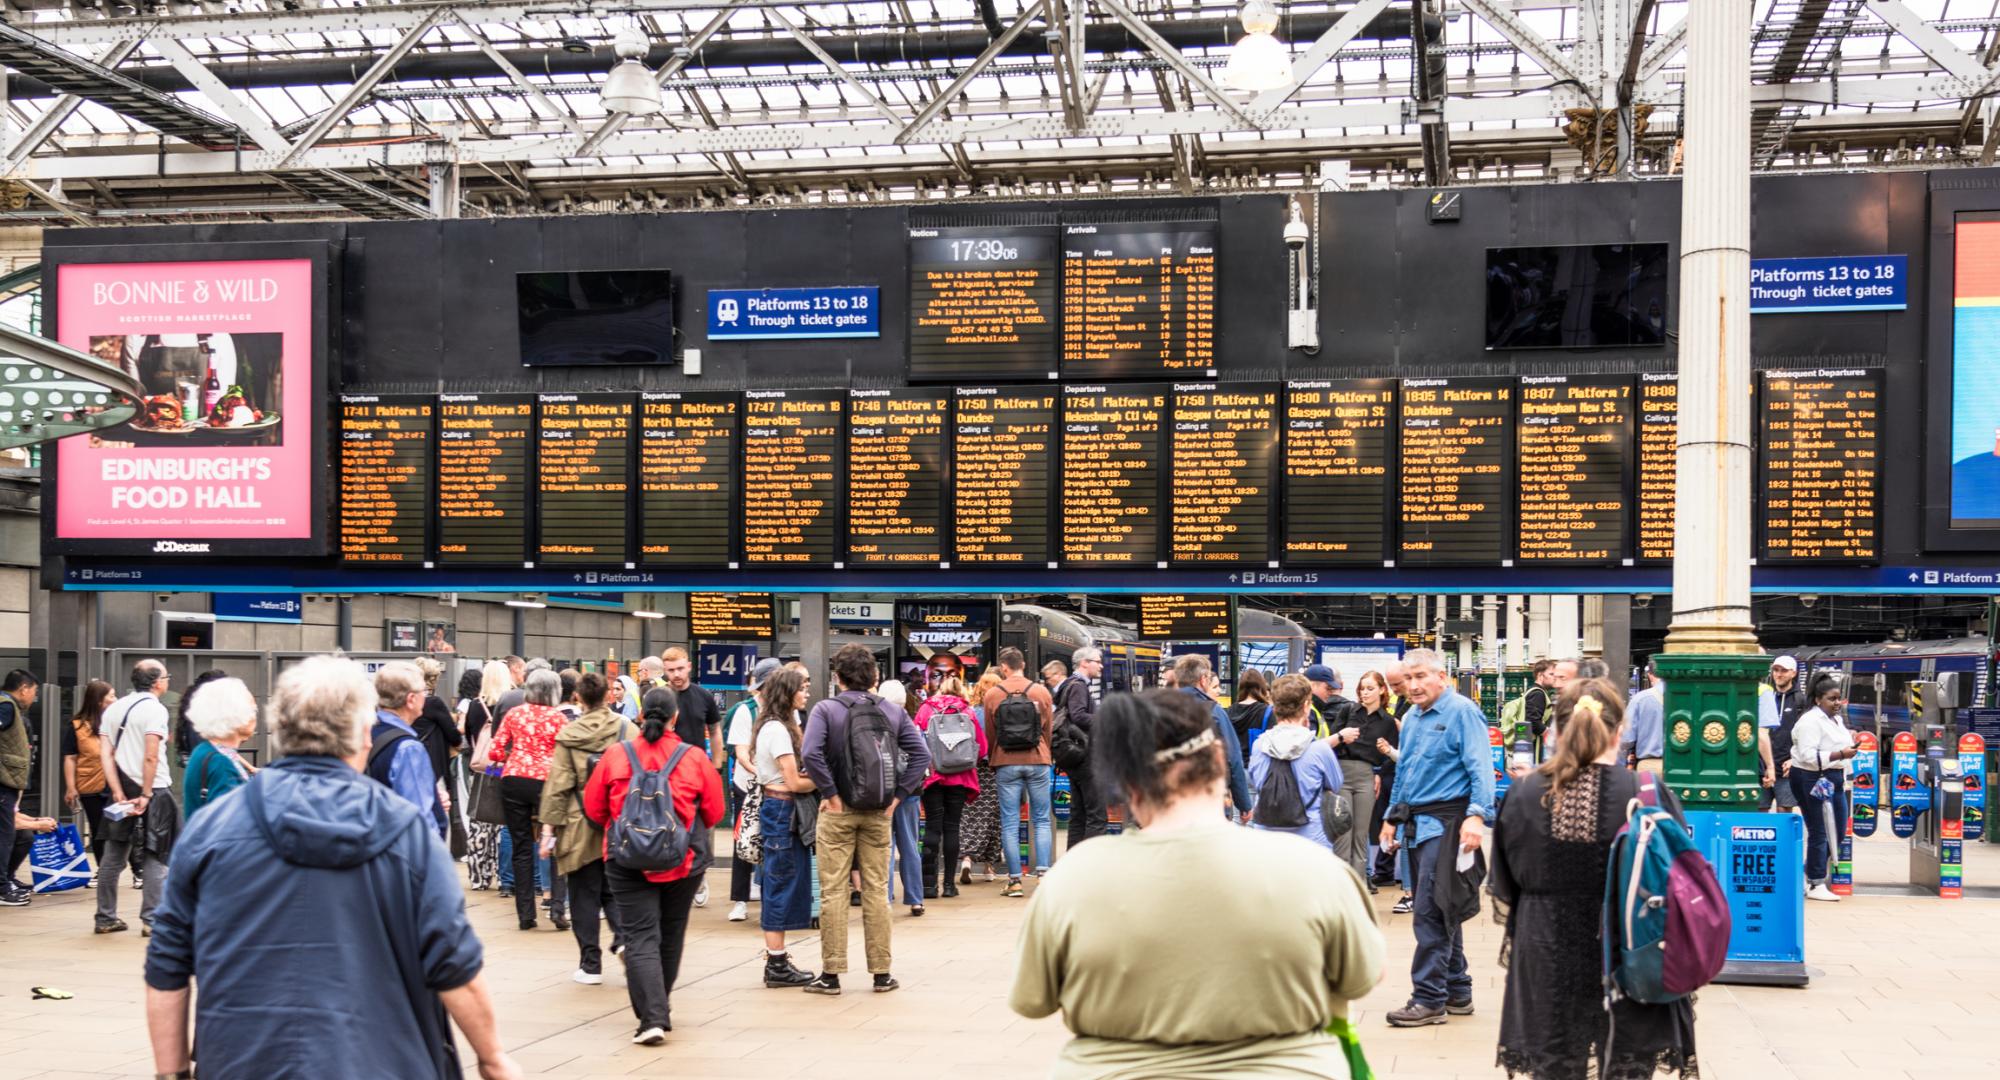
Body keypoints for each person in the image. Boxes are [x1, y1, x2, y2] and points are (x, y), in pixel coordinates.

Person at [143, 654, 520, 1080]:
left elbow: (167, 965)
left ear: (280, 730)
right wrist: (492, 1058)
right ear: (362, 732)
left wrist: (171, 1072)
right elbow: (453, 964)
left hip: (242, 1060)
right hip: (383, 1061)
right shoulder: (405, 831)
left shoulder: (210, 829)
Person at [1011, 689, 1385, 1077]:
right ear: (1220, 762)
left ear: (1126, 784)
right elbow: (1363, 976)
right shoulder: (1315, 868)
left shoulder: (1074, 877)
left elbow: (1031, 1000)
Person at [1490, 678, 1697, 1079]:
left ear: (1556, 732)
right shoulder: (1648, 792)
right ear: (1620, 732)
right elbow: (1680, 877)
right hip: (1632, 954)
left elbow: (1505, 883)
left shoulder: (1524, 793)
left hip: (1546, 949)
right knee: (1627, 1062)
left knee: (1554, 1063)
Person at [584, 687, 726, 1044]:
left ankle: (652, 1017)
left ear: (640, 715)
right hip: (682, 861)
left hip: (625, 860)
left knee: (639, 936)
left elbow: (595, 809)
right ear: (675, 717)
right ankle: (658, 1008)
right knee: (672, 934)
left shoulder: (616, 755)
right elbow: (714, 812)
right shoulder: (693, 757)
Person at [800, 644, 930, 995]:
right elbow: (921, 754)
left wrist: (831, 794)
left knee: (833, 892)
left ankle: (832, 973)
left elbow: (810, 753)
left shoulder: (826, 710)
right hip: (878, 811)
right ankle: (881, 973)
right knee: (876, 890)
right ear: (874, 676)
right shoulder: (891, 711)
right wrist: (898, 797)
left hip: (838, 813)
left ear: (837, 677)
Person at [1379, 647, 1494, 1027]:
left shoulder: (1462, 712)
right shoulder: (1411, 717)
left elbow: (1482, 769)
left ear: (1441, 677)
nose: (1412, 686)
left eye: (1420, 677)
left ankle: (1429, 998)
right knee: (1443, 907)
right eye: (1407, 679)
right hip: (1418, 825)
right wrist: (1391, 818)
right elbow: (1407, 771)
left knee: (1429, 910)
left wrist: (1477, 816)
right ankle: (1457, 991)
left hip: (1450, 823)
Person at [538, 672, 633, 984]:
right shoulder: (626, 729)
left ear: (577, 697)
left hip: (579, 823)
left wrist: (548, 830)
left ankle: (590, 964)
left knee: (583, 895)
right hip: (617, 821)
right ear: (608, 696)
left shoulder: (569, 735)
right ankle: (622, 938)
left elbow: (557, 787)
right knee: (614, 890)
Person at [98, 659, 180, 935]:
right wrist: (146, 792)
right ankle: (151, 920)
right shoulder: (154, 710)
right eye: (166, 677)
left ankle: (105, 917)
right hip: (153, 789)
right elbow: (151, 754)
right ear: (157, 682)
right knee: (156, 853)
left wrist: (117, 790)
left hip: (121, 787)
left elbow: (106, 755)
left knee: (113, 856)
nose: (168, 681)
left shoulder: (114, 708)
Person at [749, 666, 818, 988]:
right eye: (801, 687)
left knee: (784, 881)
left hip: (782, 811)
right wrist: (822, 780)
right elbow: (792, 781)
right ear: (786, 692)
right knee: (780, 884)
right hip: (782, 810)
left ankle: (777, 959)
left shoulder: (778, 726)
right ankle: (775, 964)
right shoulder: (777, 730)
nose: (806, 692)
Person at [492, 668, 571, 931]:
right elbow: (566, 755)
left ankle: (526, 915)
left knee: (521, 846)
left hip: (514, 780)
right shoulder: (558, 718)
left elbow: (494, 750)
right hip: (547, 784)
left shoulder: (515, 714)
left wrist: (516, 759)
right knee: (556, 843)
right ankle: (558, 909)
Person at [984, 646, 1056, 898]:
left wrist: (996, 756)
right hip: (1038, 759)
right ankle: (1043, 876)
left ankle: (1014, 882)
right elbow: (1047, 728)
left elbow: (990, 733)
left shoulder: (993, 694)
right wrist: (1045, 751)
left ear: (1003, 668)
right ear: (1023, 665)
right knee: (1042, 819)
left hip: (1006, 762)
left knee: (1010, 822)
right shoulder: (1041, 691)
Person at [1246, 674, 1341, 848]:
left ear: (1274, 707)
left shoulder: (1259, 746)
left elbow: (1254, 781)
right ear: (1306, 706)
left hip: (1266, 841)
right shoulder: (1319, 749)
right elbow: (1335, 785)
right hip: (1311, 841)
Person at [914, 672, 987, 899]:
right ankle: (948, 885)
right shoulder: (968, 711)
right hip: (960, 776)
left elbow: (915, 741)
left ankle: (928, 885)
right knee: (952, 827)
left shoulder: (926, 709)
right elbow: (982, 749)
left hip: (933, 776)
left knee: (933, 826)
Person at [662, 645, 723, 908]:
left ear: (689, 666)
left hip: (696, 772)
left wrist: (716, 766)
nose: (675, 674)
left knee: (703, 824)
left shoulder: (703, 696)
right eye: (670, 670)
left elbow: (715, 730)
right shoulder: (660, 697)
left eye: (679, 668)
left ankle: (699, 873)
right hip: (665, 775)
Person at [1789, 671, 1858, 903]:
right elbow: (1808, 755)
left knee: (1837, 831)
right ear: (1818, 699)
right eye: (1832, 698)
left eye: (1839, 698)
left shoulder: (1835, 719)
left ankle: (1806, 872)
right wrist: (1841, 753)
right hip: (1812, 777)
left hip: (1834, 778)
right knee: (1820, 830)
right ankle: (1816, 881)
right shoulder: (1810, 721)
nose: (1837, 703)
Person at [724, 657, 784, 922]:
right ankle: (740, 899)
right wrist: (760, 774)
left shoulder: (786, 710)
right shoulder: (744, 711)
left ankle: (772, 894)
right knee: (743, 839)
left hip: (777, 786)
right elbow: (741, 752)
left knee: (774, 840)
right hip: (747, 786)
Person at [1329, 668, 1398, 885]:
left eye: (1370, 688)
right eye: (1362, 688)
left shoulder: (1387, 721)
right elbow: (1331, 742)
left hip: (1367, 775)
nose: (1365, 693)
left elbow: (1392, 752)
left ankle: (1358, 887)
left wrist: (1379, 773)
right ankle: (1341, 886)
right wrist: (1342, 738)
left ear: (1381, 690)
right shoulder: (1349, 710)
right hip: (1343, 771)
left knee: (1361, 835)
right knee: (1343, 833)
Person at [371, 662, 447, 841]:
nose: (426, 696)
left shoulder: (365, 733)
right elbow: (420, 822)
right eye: (424, 692)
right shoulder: (408, 749)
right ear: (411, 699)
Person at [1171, 654, 1253, 817]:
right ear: (1203, 679)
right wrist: (1243, 803)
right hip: (1210, 798)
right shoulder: (1213, 712)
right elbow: (1232, 758)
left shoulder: (1160, 709)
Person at [877, 677, 926, 914]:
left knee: (885, 846)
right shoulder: (910, 723)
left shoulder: (874, 724)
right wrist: (907, 787)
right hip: (910, 792)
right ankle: (916, 899)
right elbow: (922, 756)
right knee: (909, 845)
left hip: (883, 792)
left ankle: (885, 897)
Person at [464, 660, 512, 891]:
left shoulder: (475, 706)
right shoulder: (512, 704)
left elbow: (471, 736)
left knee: (479, 824)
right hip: (504, 770)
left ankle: (478, 876)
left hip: (481, 770)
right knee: (502, 826)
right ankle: (503, 875)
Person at [180, 678, 259, 819]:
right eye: (253, 710)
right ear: (235, 715)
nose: (255, 716)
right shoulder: (220, 763)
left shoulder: (205, 750)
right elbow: (232, 825)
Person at [62, 679, 115, 888]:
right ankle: (103, 869)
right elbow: (70, 757)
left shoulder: (114, 723)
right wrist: (71, 786)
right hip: (89, 785)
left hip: (114, 785)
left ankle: (129, 869)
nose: (115, 699)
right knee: (98, 828)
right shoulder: (77, 725)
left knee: (117, 829)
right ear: (99, 700)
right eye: (111, 695)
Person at [958, 669, 1007, 884]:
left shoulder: (970, 712)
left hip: (971, 770)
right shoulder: (1000, 712)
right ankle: (989, 867)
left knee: (969, 814)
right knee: (993, 817)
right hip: (994, 768)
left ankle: (967, 858)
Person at [1056, 646, 1106, 849]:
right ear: (1084, 663)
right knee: (1097, 815)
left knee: (1078, 814)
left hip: (1074, 757)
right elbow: (1078, 716)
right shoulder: (1078, 686)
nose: (1101, 665)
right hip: (1086, 757)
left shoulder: (1067, 684)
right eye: (1097, 661)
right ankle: (1091, 865)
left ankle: (1072, 863)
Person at [0, 669, 38, 906]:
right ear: (23, 688)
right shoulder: (6, 706)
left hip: (7, 782)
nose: (33, 698)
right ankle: (2, 888)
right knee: (5, 836)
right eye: (34, 692)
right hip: (3, 783)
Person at [1759, 655, 1807, 812]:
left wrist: (1795, 758)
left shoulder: (1801, 701)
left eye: (1784, 671)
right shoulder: (1765, 696)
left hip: (1786, 769)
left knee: (1784, 812)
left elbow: (1807, 735)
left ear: (1793, 673)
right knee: (1758, 813)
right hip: (1761, 767)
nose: (1778, 674)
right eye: (1776, 670)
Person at [1621, 661, 1666, 773]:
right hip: (1681, 767)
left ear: (1650, 675)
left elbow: (1627, 739)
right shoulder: (1683, 696)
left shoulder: (1640, 699)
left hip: (1649, 767)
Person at [1225, 667, 1271, 753]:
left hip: (1235, 764)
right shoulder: (1266, 711)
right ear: (1261, 687)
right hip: (1257, 763)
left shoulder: (1230, 710)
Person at [1303, 664, 1356, 738]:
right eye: (1327, 688)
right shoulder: (1307, 711)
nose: (1330, 692)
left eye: (1331, 689)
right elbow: (1311, 746)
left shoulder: (1315, 709)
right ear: (1312, 686)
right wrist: (1339, 737)